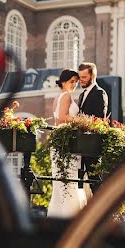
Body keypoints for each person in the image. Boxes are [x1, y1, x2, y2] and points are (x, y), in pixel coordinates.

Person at [47, 69, 88, 218]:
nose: (74, 84)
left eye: (76, 82)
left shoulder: (57, 98)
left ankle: (58, 215)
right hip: (66, 141)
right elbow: (62, 118)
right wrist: (82, 121)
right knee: (69, 179)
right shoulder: (66, 96)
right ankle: (71, 215)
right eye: (72, 81)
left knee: (61, 182)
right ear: (63, 81)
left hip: (60, 140)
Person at [76, 62, 110, 198]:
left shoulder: (100, 93)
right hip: (82, 145)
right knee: (84, 181)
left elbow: (99, 120)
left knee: (95, 182)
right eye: (80, 77)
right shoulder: (81, 95)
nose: (81, 80)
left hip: (93, 145)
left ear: (93, 76)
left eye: (84, 77)